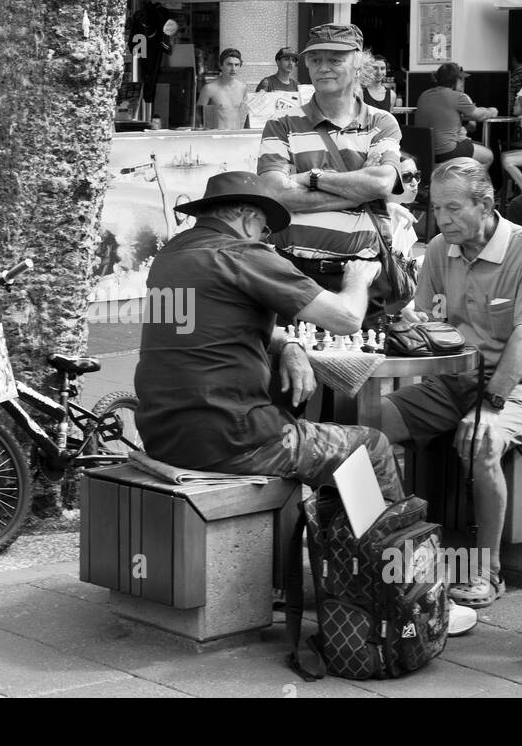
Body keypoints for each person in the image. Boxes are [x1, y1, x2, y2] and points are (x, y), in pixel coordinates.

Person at [135, 171, 403, 502]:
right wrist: (358, 278)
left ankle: (336, 542)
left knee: (325, 451)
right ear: (249, 219)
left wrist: (288, 343)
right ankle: (380, 552)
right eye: (265, 229)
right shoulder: (243, 254)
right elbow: (346, 318)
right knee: (372, 446)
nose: (266, 238)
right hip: (232, 439)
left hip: (162, 433)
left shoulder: (170, 256)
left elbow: (214, 325)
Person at [381, 158, 522, 609]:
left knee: (483, 440)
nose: (442, 219)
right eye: (436, 208)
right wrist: (404, 320)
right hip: (454, 381)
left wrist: (492, 406)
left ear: (485, 204)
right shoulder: (441, 249)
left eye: (453, 208)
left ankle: (487, 570)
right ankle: (399, 546)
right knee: (365, 425)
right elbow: (428, 323)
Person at [257, 23, 409, 330]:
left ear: (357, 64)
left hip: (362, 273)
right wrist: (358, 189)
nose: (323, 68)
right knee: (294, 370)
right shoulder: (281, 123)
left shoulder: (382, 122)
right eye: (315, 60)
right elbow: (275, 193)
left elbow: (381, 183)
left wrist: (309, 178)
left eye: (335, 59)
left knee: (360, 370)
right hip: (294, 273)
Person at [415, 62, 497, 167]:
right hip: (447, 151)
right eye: (461, 79)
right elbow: (478, 116)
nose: (463, 82)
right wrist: (492, 111)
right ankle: (471, 183)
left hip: (425, 151)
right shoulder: (458, 97)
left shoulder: (424, 95)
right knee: (488, 156)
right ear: (454, 80)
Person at [197, 48, 248, 130]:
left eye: (236, 65)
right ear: (221, 65)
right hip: (217, 137)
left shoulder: (242, 87)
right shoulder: (209, 89)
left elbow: (243, 115)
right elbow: (198, 119)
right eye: (229, 64)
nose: (233, 69)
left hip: (236, 136)